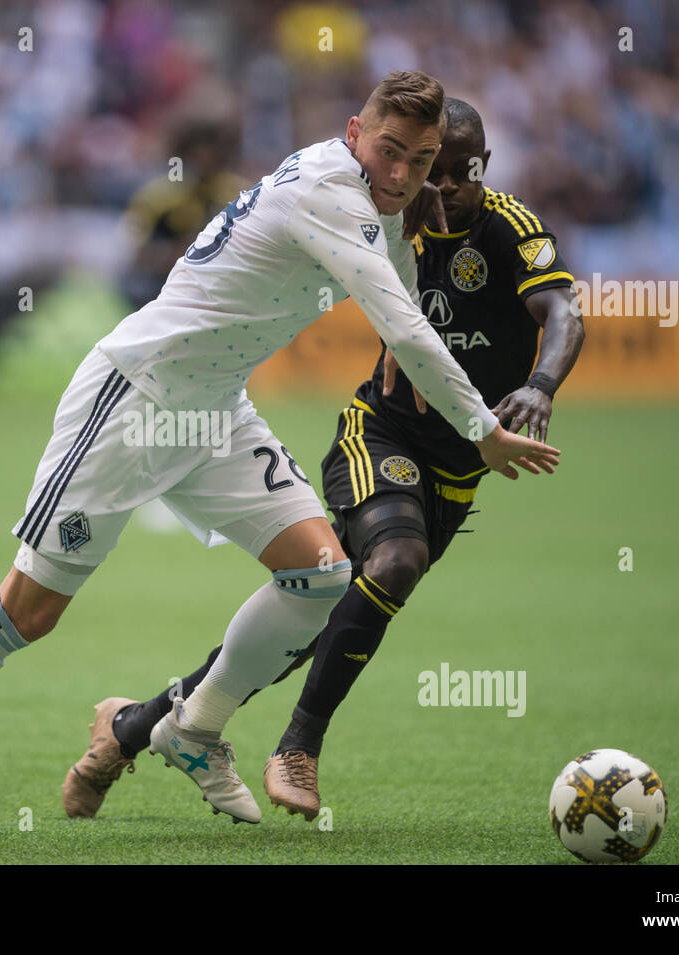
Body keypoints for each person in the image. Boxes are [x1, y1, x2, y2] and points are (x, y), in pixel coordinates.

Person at [0, 73, 560, 835]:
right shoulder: (330, 190)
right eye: (392, 152)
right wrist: (483, 428)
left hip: (215, 411)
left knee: (320, 576)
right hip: (133, 400)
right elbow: (404, 327)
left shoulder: (394, 205)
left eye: (425, 159)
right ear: (353, 134)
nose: (406, 175)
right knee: (28, 611)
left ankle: (193, 727)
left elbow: (404, 319)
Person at [63, 97, 583, 821]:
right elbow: (398, 324)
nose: (440, 189)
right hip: (381, 435)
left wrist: (540, 385)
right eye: (431, 173)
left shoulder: (508, 227)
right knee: (391, 563)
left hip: (459, 468)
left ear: (480, 168)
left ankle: (130, 726)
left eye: (457, 173)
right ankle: (298, 747)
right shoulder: (384, 217)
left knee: (314, 620)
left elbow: (565, 309)